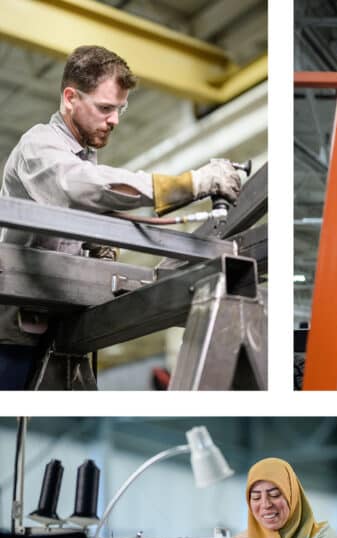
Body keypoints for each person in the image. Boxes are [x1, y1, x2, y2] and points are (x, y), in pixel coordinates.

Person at [0, 44, 244, 389]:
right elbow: (80, 187)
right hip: (13, 338)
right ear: (70, 97)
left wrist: (93, 241)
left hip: (59, 330)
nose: (114, 120)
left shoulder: (83, 157)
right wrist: (190, 184)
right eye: (104, 108)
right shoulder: (38, 147)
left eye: (120, 109)